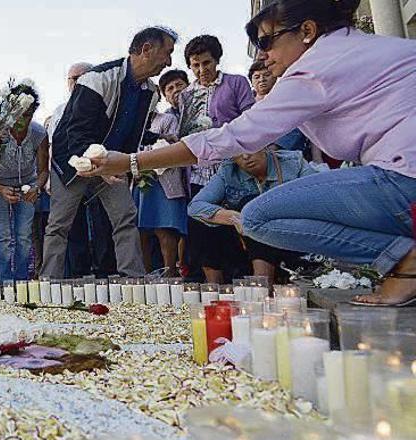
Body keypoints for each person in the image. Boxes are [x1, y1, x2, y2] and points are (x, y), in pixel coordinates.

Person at [81, 0, 416, 307]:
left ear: (307, 32)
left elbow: (236, 135)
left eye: (267, 42)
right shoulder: (369, 49)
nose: (263, 56)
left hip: (404, 179)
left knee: (256, 218)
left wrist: (130, 161)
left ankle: (404, 258)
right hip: (398, 174)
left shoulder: (314, 68)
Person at [41, 27, 179, 280]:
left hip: (111, 164)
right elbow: (75, 132)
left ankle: (133, 278)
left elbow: (130, 133)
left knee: (125, 217)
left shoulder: (149, 92)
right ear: (146, 49)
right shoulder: (97, 79)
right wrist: (99, 166)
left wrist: (129, 163)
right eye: (167, 53)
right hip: (72, 160)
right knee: (59, 225)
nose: (169, 61)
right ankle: (48, 282)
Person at [178, 34, 256, 283]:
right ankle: (214, 285)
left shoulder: (236, 83)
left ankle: (244, 280)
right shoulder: (186, 95)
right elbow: (185, 131)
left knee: (234, 224)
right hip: (199, 171)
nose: (202, 69)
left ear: (217, 60)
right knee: (203, 225)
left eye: (207, 63)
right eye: (196, 65)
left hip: (232, 167)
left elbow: (251, 120)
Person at [189, 148, 321, 286]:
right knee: (201, 219)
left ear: (265, 145)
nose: (246, 156)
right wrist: (235, 217)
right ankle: (214, 286)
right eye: (238, 153)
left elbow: (317, 197)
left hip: (288, 235)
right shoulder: (228, 170)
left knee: (254, 207)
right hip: (245, 241)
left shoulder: (293, 163)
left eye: (250, 149)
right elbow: (195, 206)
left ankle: (262, 283)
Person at [0, 83, 48, 281]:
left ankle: (21, 281)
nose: (21, 119)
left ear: (34, 111)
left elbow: (44, 170)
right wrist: (1, 190)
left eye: (27, 114)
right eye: (17, 113)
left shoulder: (39, 134)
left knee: (23, 237)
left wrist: (37, 187)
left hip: (27, 184)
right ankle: (5, 282)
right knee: (2, 237)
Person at [133, 69, 190, 275]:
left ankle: (170, 273)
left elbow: (175, 146)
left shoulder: (166, 119)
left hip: (165, 180)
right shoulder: (133, 124)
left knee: (164, 228)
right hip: (141, 181)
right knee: (141, 230)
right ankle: (146, 273)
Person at [43, 62, 94, 278]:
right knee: (67, 225)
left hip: (99, 172)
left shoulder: (102, 104)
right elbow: (52, 146)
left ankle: (105, 273)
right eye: (72, 78)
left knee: (103, 223)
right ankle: (70, 275)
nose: (76, 83)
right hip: (66, 174)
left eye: (81, 78)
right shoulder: (58, 111)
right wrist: (48, 178)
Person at [249, 60, 310, 154]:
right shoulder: (245, 105)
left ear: (275, 77)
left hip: (285, 153)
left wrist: (274, 147)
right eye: (257, 77)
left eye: (266, 75)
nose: (262, 79)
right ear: (251, 82)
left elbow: (297, 125)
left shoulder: (288, 99)